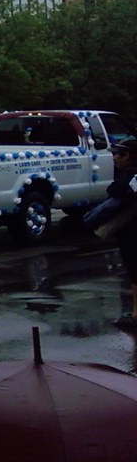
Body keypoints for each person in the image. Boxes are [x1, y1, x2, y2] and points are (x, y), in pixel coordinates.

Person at [103, 139, 137, 331]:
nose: (114, 157)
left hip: (132, 233)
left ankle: (136, 314)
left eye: (118, 154)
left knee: (134, 272)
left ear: (128, 156)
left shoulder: (129, 178)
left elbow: (114, 190)